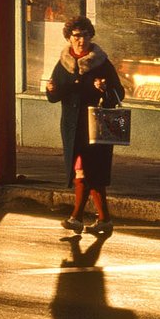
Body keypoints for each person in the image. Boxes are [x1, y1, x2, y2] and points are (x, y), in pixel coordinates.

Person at [46, 15, 125, 236]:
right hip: (72, 127)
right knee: (91, 174)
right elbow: (54, 95)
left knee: (85, 172)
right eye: (76, 36)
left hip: (95, 126)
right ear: (69, 38)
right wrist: (51, 90)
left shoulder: (102, 62)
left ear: (91, 36)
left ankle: (76, 218)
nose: (81, 40)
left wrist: (105, 89)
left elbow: (119, 93)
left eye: (85, 35)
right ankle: (104, 220)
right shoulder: (63, 63)